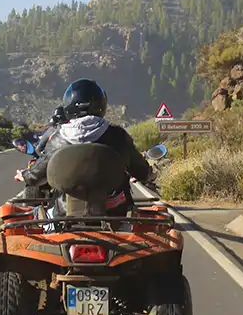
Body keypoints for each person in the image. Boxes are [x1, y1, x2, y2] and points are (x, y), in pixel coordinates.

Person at [17, 79, 152, 214]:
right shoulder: (118, 137)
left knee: (36, 217)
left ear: (68, 106)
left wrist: (25, 175)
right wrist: (149, 175)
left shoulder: (58, 140)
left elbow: (36, 175)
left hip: (64, 217)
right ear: (101, 104)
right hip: (115, 215)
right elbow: (142, 172)